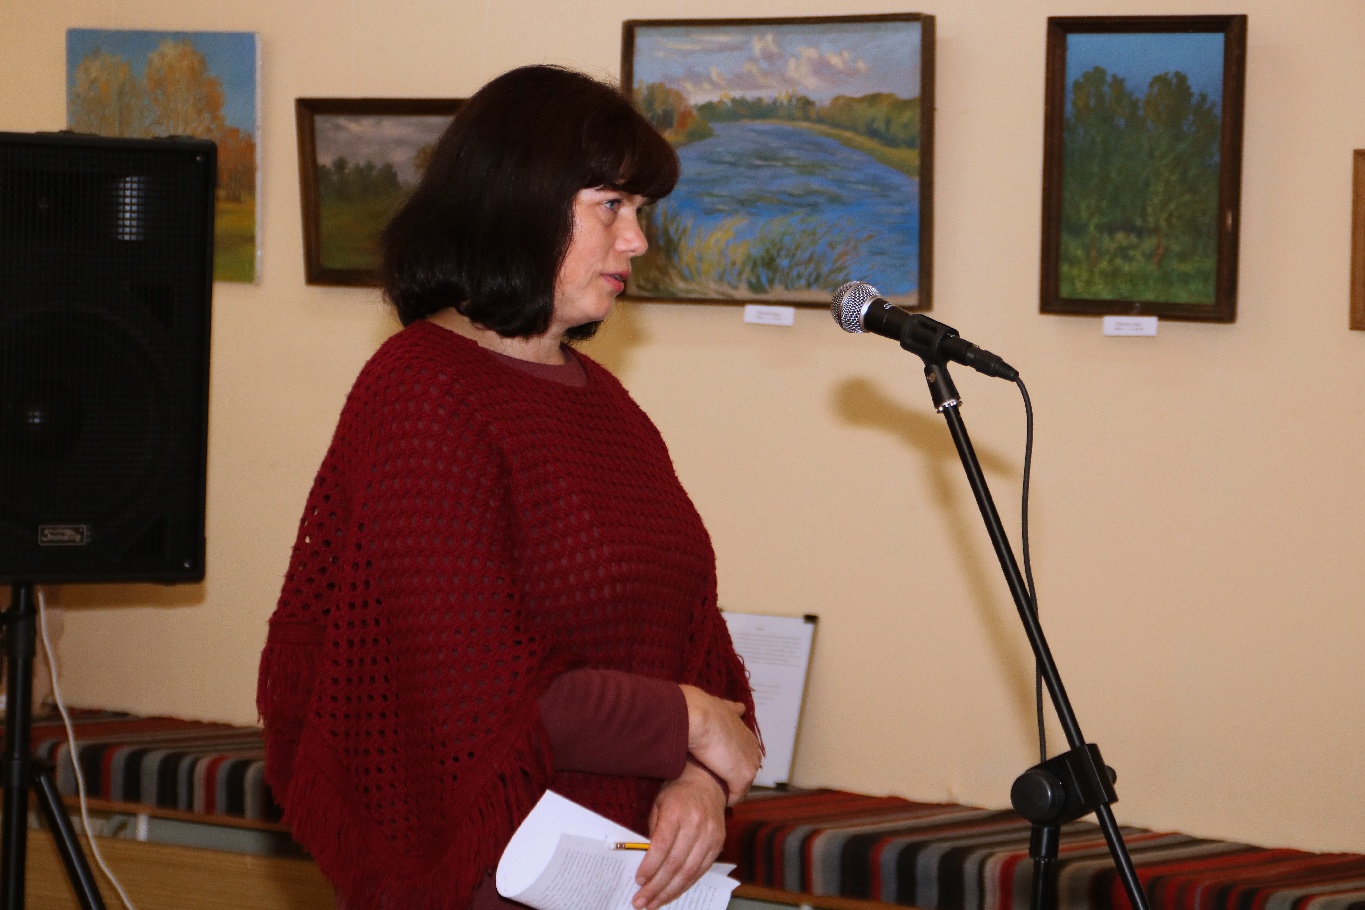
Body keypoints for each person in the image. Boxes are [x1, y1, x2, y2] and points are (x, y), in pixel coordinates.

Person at [257, 64, 762, 910]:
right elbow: (472, 687)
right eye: (611, 206)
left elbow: (692, 644)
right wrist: (686, 721)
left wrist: (697, 780)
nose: (636, 241)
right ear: (521, 201)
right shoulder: (423, 390)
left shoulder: (606, 403)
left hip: (620, 878)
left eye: (639, 212)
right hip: (474, 878)